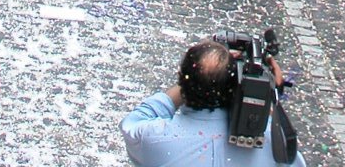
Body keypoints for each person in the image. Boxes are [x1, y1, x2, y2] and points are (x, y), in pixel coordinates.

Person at [121, 39, 306, 167]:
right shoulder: (273, 143)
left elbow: (134, 121)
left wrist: (192, 80)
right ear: (235, 86)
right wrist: (267, 98)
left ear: (182, 82)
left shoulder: (154, 138)